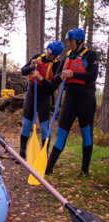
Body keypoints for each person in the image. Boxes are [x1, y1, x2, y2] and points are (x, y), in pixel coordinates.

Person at [46, 28, 98, 177]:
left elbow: (93, 76)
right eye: (68, 40)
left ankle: (84, 171)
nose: (69, 43)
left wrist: (73, 74)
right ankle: (48, 168)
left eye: (71, 41)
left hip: (86, 99)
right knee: (61, 132)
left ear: (79, 41)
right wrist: (60, 76)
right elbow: (55, 79)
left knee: (86, 133)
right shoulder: (67, 57)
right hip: (70, 99)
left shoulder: (90, 55)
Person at [19, 40, 64, 161]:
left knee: (44, 127)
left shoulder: (57, 65)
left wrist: (40, 78)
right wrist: (31, 66)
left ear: (56, 55)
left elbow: (53, 87)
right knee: (26, 124)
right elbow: (23, 71)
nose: (48, 55)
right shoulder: (37, 57)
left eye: (51, 54)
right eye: (48, 52)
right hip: (31, 94)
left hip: (45, 97)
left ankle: (44, 154)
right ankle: (22, 153)